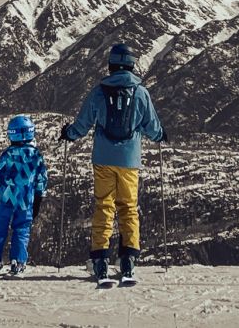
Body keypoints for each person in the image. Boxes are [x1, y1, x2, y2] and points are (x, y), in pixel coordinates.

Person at [59, 43, 166, 284]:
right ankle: (128, 257)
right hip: (130, 161)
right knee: (128, 207)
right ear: (131, 64)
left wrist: (69, 133)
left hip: (103, 159)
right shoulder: (140, 92)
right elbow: (151, 125)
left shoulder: (99, 91)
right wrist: (160, 135)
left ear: (111, 65)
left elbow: (83, 122)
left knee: (104, 206)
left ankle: (100, 258)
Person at [0, 115, 49, 277]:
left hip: (6, 197)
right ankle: (17, 261)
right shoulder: (36, 155)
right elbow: (42, 179)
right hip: (26, 199)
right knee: (21, 229)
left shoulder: (8, 154)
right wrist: (39, 197)